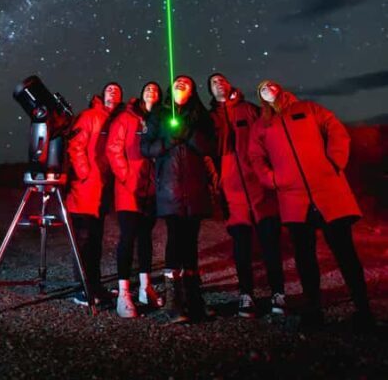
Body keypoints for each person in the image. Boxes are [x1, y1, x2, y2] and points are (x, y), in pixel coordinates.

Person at [249, 80, 374, 331]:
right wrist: (272, 179)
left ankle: (363, 309)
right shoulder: (262, 124)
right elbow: (255, 155)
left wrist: (335, 161)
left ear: (281, 89)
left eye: (270, 85)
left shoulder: (308, 109)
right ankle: (313, 311)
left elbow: (335, 129)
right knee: (305, 258)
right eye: (262, 89)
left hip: (328, 191)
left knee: (345, 253)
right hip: (293, 197)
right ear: (260, 97)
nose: (267, 90)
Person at [208, 73, 285, 318]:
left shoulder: (248, 110)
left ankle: (278, 293)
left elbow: (268, 139)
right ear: (210, 92)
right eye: (213, 82)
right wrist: (217, 181)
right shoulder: (211, 118)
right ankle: (246, 294)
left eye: (221, 80)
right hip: (233, 191)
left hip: (259, 187)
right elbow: (208, 154)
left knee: (270, 243)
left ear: (230, 85)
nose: (218, 83)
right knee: (241, 246)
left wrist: (269, 174)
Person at [141, 75, 216, 323]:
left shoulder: (200, 116)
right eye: (176, 82)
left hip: (194, 190)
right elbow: (146, 148)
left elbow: (210, 147)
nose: (180, 83)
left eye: (186, 82)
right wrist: (169, 140)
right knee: (175, 241)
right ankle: (174, 303)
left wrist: (189, 135)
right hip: (170, 191)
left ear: (193, 90)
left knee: (191, 244)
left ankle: (194, 300)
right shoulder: (159, 115)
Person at [106, 81, 164, 318]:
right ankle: (123, 293)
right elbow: (113, 148)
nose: (151, 92)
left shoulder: (159, 121)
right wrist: (127, 176)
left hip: (152, 189)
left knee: (145, 239)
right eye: (147, 89)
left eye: (156, 90)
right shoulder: (127, 118)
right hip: (130, 188)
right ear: (141, 94)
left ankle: (145, 286)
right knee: (128, 238)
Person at [66, 82, 123, 305]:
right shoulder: (90, 115)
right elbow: (75, 144)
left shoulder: (117, 119)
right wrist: (84, 173)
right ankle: (82, 289)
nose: (112, 92)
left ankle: (95, 286)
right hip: (85, 189)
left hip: (102, 191)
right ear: (102, 94)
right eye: (109, 89)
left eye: (117, 91)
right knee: (84, 240)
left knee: (96, 241)